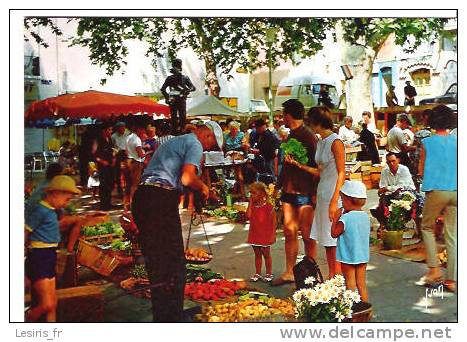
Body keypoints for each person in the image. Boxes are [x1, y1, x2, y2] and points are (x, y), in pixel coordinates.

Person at [131, 121, 223, 322]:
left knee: (158, 263)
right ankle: (171, 319)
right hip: (158, 200)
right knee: (173, 264)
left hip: (145, 198)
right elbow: (187, 178)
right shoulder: (195, 143)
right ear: (207, 135)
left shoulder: (178, 141)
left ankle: (164, 316)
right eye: (212, 145)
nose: (207, 149)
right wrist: (204, 188)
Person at [287, 106, 346, 279]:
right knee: (327, 240)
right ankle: (333, 275)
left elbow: (341, 172)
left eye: (311, 122)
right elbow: (320, 170)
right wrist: (299, 165)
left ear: (318, 122)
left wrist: (335, 200)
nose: (310, 126)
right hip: (322, 192)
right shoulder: (321, 141)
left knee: (333, 238)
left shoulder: (336, 141)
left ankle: (336, 277)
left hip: (333, 193)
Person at [271, 99, 319, 286]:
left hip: (305, 191)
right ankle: (290, 272)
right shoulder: (291, 136)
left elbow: (317, 167)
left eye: (283, 114)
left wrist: (314, 192)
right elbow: (286, 166)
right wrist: (279, 184)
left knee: (307, 234)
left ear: (288, 115)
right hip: (289, 190)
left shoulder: (308, 136)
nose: (282, 117)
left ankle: (310, 273)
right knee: (289, 231)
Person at [25, 175, 81, 322]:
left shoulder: (51, 211)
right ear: (55, 193)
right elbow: (25, 230)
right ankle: (24, 321)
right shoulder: (41, 210)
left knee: (52, 303)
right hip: (39, 257)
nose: (66, 203)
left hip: (49, 255)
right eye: (66, 199)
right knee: (47, 304)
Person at [417, 105, 457, 292]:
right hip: (457, 191)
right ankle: (452, 280)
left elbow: (421, 169)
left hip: (436, 190)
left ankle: (434, 270)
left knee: (426, 227)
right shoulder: (458, 141)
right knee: (452, 235)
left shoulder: (427, 142)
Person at [331, 180, 370, 302]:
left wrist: (335, 219)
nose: (342, 203)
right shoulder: (365, 216)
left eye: (342, 200)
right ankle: (366, 309)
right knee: (362, 285)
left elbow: (334, 234)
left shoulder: (345, 218)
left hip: (348, 256)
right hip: (362, 256)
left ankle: (351, 310)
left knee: (350, 284)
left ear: (348, 200)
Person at [246, 182, 277, 282]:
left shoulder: (269, 207)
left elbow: (274, 223)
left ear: (262, 194)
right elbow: (248, 216)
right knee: (257, 254)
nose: (251, 195)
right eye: (250, 193)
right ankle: (258, 273)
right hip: (254, 233)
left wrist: (272, 235)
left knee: (266, 254)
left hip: (265, 235)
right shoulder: (252, 206)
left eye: (254, 193)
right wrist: (250, 203)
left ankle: (269, 273)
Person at [160, 58, 196, 134]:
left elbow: (193, 87)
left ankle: (178, 130)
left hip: (176, 98)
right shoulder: (172, 78)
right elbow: (162, 89)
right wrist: (168, 98)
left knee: (178, 116)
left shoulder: (182, 77)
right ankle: (178, 130)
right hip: (177, 99)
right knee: (178, 116)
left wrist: (187, 90)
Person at [123, 124, 145, 210]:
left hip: (128, 161)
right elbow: (140, 154)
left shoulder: (128, 137)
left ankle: (126, 204)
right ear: (139, 129)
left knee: (128, 184)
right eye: (143, 130)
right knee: (135, 185)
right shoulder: (137, 139)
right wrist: (147, 153)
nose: (143, 132)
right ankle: (133, 204)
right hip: (136, 162)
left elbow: (126, 151)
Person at [94, 122, 116, 211]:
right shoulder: (98, 140)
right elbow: (94, 154)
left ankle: (108, 203)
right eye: (109, 130)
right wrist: (102, 161)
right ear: (104, 130)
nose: (111, 131)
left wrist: (114, 157)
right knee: (103, 185)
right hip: (103, 167)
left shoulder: (109, 139)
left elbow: (112, 150)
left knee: (110, 184)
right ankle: (103, 205)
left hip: (110, 166)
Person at [111, 121, 129, 197]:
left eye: (123, 128)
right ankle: (120, 191)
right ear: (117, 128)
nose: (122, 129)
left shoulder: (128, 134)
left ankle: (127, 190)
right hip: (118, 154)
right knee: (118, 173)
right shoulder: (113, 136)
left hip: (126, 154)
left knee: (127, 172)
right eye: (120, 128)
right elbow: (111, 146)